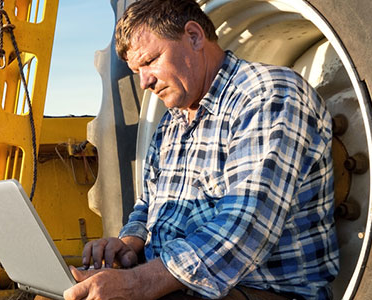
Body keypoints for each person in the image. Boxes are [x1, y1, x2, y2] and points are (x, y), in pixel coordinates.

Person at [64, 0, 338, 299]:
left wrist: (138, 284)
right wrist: (130, 243)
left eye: (151, 60)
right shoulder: (172, 123)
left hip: (255, 289)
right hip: (178, 284)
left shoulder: (268, 96)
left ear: (194, 36)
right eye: (136, 70)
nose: (144, 82)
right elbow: (148, 203)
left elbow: (244, 228)